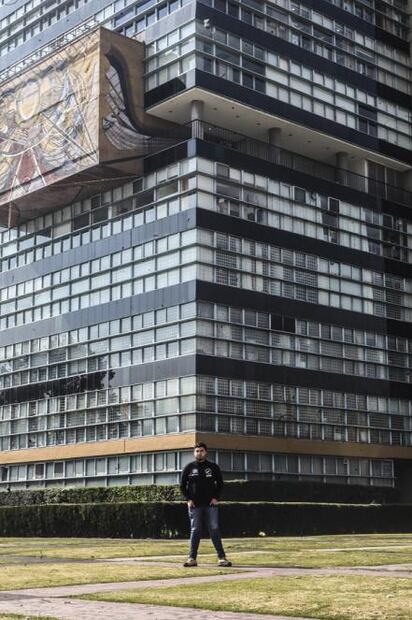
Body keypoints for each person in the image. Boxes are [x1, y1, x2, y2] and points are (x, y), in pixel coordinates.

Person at [180, 442, 232, 567]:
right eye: (197, 451)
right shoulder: (189, 467)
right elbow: (182, 486)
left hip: (210, 505)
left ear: (206, 452)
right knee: (195, 530)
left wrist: (216, 497)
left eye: (201, 451)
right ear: (194, 453)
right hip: (195, 506)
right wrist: (188, 499)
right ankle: (192, 559)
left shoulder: (213, 467)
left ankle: (221, 558)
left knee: (214, 529)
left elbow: (220, 484)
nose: (199, 453)